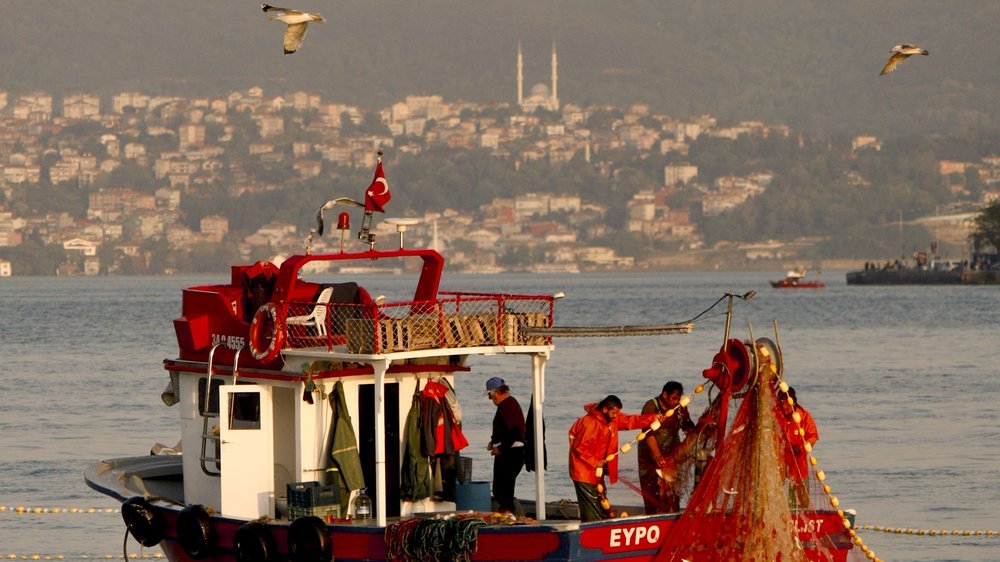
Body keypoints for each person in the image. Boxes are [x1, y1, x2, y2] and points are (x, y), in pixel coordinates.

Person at [568, 395, 664, 522]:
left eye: (617, 413)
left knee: (600, 499)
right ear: (605, 410)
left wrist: (653, 418)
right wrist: (596, 461)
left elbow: (631, 421)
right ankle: (593, 530)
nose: (616, 416)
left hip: (596, 469)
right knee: (592, 506)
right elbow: (579, 448)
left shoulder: (612, 419)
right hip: (583, 471)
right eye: (614, 413)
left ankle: (599, 526)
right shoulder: (590, 423)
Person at [637, 381, 695, 514]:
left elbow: (687, 426)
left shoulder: (679, 408)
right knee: (652, 494)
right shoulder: (651, 406)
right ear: (664, 395)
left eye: (678, 398)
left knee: (672, 494)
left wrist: (694, 429)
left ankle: (671, 517)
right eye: (674, 398)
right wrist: (657, 456)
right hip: (649, 457)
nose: (676, 401)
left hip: (671, 455)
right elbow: (648, 434)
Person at [485, 376, 526, 514]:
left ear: (496, 392)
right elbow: (508, 430)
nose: (490, 399)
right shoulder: (508, 404)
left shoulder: (508, 406)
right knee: (501, 489)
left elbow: (515, 432)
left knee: (503, 491)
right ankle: (508, 514)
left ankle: (508, 515)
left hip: (510, 454)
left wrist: (500, 448)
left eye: (490, 395)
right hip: (509, 452)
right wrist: (493, 442)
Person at [776, 386, 818, 508]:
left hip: (799, 467)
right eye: (781, 404)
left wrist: (801, 448)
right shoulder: (775, 414)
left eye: (785, 404)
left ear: (792, 402)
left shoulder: (804, 417)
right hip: (779, 466)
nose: (784, 408)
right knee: (782, 501)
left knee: (802, 503)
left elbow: (813, 436)